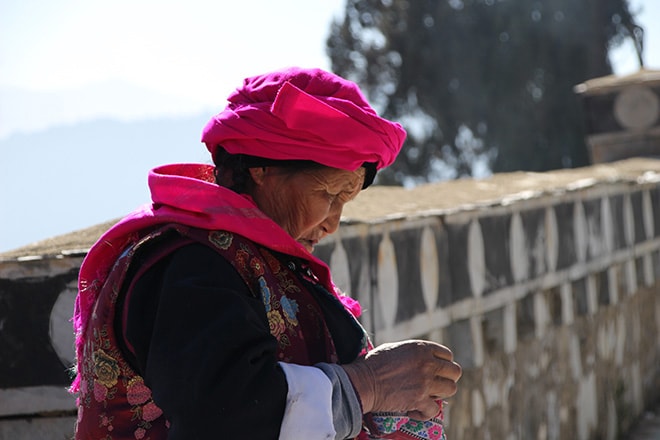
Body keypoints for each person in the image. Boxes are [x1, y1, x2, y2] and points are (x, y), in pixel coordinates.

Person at [71, 67, 461, 440]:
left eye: (347, 200)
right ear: (262, 169)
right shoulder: (189, 266)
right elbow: (226, 418)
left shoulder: (256, 259)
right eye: (328, 194)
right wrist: (370, 384)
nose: (333, 223)